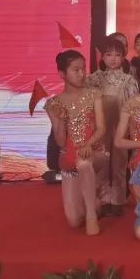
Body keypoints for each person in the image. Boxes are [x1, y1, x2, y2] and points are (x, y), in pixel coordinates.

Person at [45, 51, 108, 236]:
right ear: (62, 74)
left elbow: (102, 128)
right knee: (73, 221)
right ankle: (95, 201)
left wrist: (88, 144)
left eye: (83, 69)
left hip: (96, 153)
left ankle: (91, 217)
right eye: (76, 70)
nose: (82, 74)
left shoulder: (94, 95)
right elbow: (60, 142)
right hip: (69, 160)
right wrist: (59, 120)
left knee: (84, 162)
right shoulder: (53, 103)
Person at [86, 36, 138, 213]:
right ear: (102, 57)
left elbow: (133, 107)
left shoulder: (129, 80)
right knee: (100, 163)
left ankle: (117, 200)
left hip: (120, 127)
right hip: (99, 127)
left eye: (117, 55)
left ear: (123, 57)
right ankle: (101, 200)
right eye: (109, 55)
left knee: (119, 163)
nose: (113, 59)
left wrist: (131, 129)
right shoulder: (93, 79)